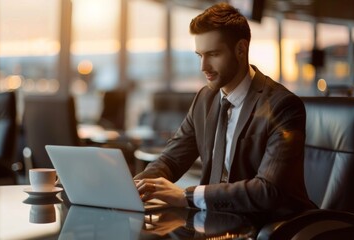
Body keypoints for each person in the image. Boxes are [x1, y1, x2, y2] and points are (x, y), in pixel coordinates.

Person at [135, 2, 316, 215]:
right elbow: (171, 160)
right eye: (199, 55)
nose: (203, 67)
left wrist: (186, 196)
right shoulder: (204, 99)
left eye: (213, 54)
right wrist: (132, 188)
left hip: (272, 226)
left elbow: (268, 190)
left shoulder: (282, 106)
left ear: (241, 49)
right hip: (216, 221)